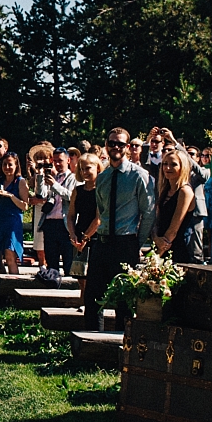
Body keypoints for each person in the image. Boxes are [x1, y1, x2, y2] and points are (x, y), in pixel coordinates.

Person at [84, 127, 154, 330]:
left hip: (125, 243)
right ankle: (91, 343)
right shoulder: (103, 177)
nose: (115, 147)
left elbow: (148, 213)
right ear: (106, 144)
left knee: (124, 301)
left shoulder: (139, 176)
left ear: (128, 147)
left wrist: (136, 243)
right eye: (112, 143)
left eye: (120, 144)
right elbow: (101, 210)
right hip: (103, 242)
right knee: (93, 298)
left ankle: (122, 347)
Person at [66, 153, 101, 305]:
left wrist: (86, 238)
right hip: (79, 235)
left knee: (93, 275)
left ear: (97, 168)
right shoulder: (78, 190)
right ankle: (82, 301)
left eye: (88, 168)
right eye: (81, 169)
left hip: (95, 236)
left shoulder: (101, 189)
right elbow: (71, 215)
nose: (84, 172)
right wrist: (73, 234)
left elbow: (99, 218)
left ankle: (91, 304)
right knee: (80, 275)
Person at [35, 148, 76, 276]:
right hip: (50, 224)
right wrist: (40, 175)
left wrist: (55, 186)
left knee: (68, 262)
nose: (57, 164)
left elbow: (71, 196)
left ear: (68, 160)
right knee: (52, 264)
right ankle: (52, 287)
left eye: (60, 161)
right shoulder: (52, 177)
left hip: (65, 225)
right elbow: (41, 195)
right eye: (55, 161)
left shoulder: (74, 178)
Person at [0, 152, 28, 274]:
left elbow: (25, 206)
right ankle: (2, 287)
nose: (7, 167)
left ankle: (12, 286)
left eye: (10, 164)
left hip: (12, 223)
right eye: (4, 164)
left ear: (16, 166)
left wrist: (10, 195)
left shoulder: (20, 182)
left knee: (10, 257)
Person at [153, 148, 196, 264]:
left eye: (173, 165)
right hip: (161, 246)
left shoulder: (185, 191)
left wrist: (155, 258)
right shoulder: (164, 190)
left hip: (177, 249)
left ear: (183, 167)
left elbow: (173, 230)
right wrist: (156, 238)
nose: (167, 168)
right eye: (165, 164)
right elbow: (158, 220)